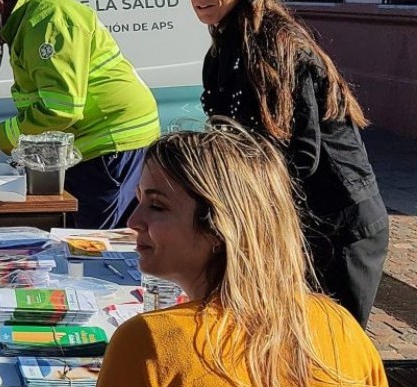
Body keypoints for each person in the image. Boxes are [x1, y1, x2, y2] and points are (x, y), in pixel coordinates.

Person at [186, 0, 388, 326]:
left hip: (339, 225)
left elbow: (301, 154)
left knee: (332, 350)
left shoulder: (276, 44)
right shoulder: (224, 47)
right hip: (293, 220)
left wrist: (245, 213)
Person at [97, 122, 388, 387]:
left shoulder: (150, 343)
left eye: (157, 206)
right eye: (139, 200)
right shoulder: (339, 326)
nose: (133, 221)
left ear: (218, 229)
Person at [0, 0, 160, 229]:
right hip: (99, 141)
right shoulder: (29, 23)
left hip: (110, 140)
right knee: (81, 237)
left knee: (93, 243)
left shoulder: (47, 23)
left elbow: (60, 109)